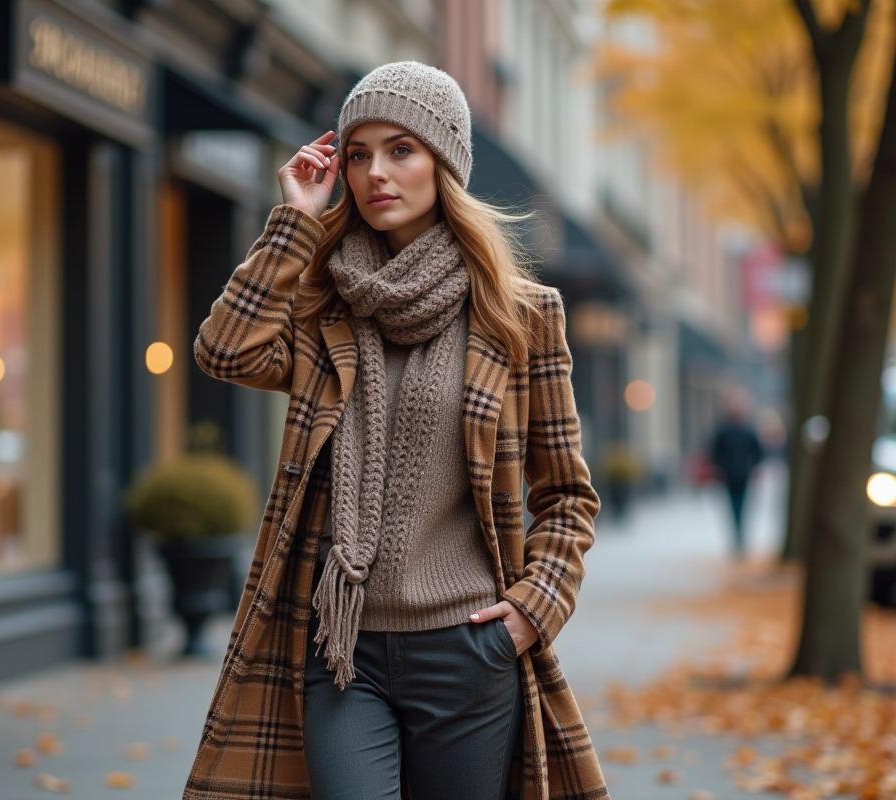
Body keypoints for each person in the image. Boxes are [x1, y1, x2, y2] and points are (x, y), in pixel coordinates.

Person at [182, 62, 605, 800]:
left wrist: (531, 612)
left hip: (469, 650)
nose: (375, 172)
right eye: (358, 153)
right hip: (340, 648)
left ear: (445, 163)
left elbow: (567, 495)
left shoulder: (522, 315)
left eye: (401, 149)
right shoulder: (323, 306)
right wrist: (294, 225)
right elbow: (226, 351)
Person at [709, 393, 764, 558]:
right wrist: (720, 468)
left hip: (744, 476)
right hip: (728, 477)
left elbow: (759, 452)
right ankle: (737, 538)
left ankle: (741, 538)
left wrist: (752, 467)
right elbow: (714, 452)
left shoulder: (748, 431)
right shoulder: (724, 431)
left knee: (743, 507)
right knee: (733, 508)